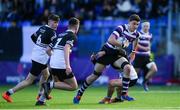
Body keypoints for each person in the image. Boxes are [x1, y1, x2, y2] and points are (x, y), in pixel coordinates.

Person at [73, 14, 141, 104]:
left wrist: (133, 52)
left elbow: (136, 39)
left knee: (127, 68)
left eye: (137, 24)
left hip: (117, 53)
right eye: (134, 23)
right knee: (95, 75)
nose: (135, 26)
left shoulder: (136, 33)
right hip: (107, 51)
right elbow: (110, 40)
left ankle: (123, 94)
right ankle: (80, 93)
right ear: (129, 22)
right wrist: (123, 45)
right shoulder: (121, 28)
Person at [2, 14, 60, 103]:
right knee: (28, 81)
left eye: (58, 22)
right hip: (40, 59)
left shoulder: (42, 27)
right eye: (55, 22)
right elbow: (53, 47)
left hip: (37, 55)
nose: (56, 24)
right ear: (50, 21)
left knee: (46, 74)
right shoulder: (52, 33)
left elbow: (33, 36)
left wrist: (39, 46)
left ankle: (40, 94)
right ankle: (8, 93)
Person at [35, 17, 80, 105]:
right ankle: (49, 85)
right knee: (74, 86)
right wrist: (67, 66)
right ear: (76, 26)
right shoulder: (72, 36)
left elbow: (48, 49)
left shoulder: (60, 34)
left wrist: (54, 57)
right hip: (61, 64)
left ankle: (41, 100)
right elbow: (66, 48)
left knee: (55, 81)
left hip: (53, 64)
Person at [133, 21, 158, 91]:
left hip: (147, 56)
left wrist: (149, 52)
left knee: (154, 69)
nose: (146, 27)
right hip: (138, 56)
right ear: (142, 26)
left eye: (147, 26)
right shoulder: (138, 34)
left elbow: (149, 43)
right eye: (145, 26)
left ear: (149, 27)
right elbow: (136, 44)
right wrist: (144, 48)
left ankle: (145, 82)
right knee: (135, 74)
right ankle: (125, 86)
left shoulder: (150, 34)